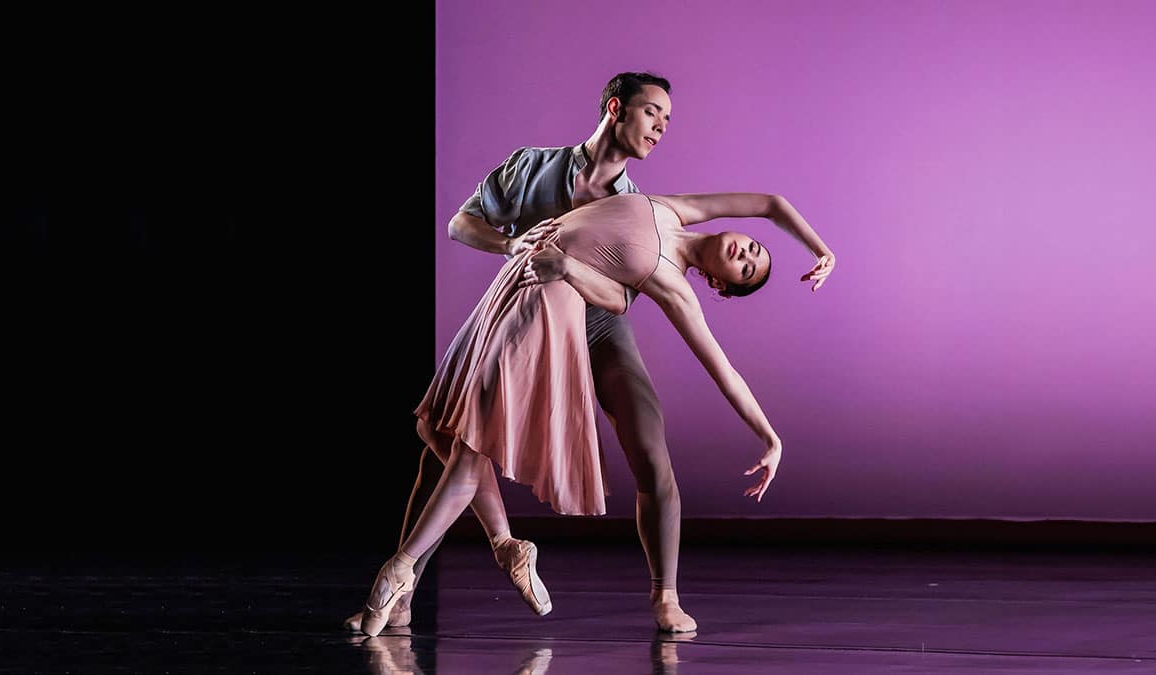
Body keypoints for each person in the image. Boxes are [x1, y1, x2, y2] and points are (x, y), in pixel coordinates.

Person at [354, 189, 836, 637]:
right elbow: (772, 202)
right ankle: (503, 548)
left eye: (748, 269)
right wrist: (822, 251)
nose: (747, 255)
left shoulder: (673, 286)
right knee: (439, 428)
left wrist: (771, 439)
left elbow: (724, 371)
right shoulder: (676, 209)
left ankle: (399, 571)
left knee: (471, 443)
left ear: (718, 284)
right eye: (753, 248)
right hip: (511, 287)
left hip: (543, 308)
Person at [349, 70, 704, 634]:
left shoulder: (639, 207)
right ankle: (405, 593)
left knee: (649, 441)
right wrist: (508, 242)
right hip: (529, 321)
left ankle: (666, 596)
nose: (661, 127)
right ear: (615, 108)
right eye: (652, 113)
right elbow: (461, 223)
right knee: (448, 443)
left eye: (667, 119)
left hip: (595, 325)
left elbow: (617, 300)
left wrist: (572, 272)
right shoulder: (532, 166)